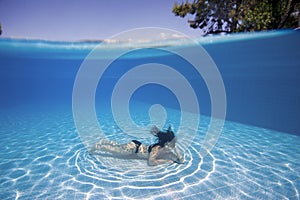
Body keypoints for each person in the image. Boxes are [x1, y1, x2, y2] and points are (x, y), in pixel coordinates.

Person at [90, 126, 184, 166]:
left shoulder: (167, 150)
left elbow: (181, 161)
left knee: (118, 146)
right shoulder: (157, 148)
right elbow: (151, 162)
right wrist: (165, 161)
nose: (175, 144)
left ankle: (104, 141)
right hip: (133, 148)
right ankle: (99, 147)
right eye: (173, 142)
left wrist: (176, 149)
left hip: (135, 145)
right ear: (167, 143)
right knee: (115, 150)